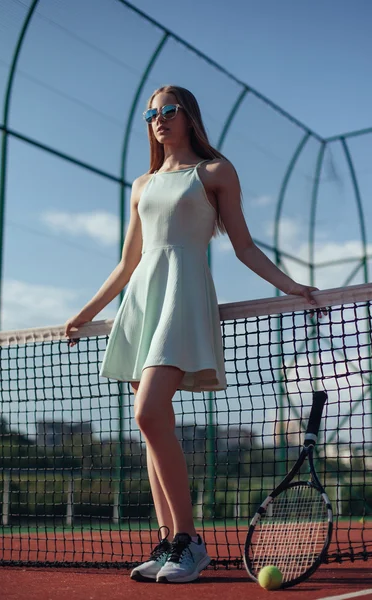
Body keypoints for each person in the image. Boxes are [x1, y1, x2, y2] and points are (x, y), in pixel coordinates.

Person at [64, 85, 318, 584]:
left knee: (148, 411)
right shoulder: (141, 184)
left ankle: (189, 541)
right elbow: (127, 262)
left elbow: (244, 246)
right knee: (149, 426)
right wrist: (86, 311)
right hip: (142, 302)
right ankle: (168, 541)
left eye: (169, 110)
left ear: (189, 117)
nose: (159, 119)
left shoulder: (216, 173)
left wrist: (291, 286)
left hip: (183, 299)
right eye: (151, 113)